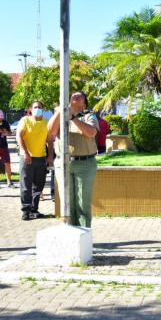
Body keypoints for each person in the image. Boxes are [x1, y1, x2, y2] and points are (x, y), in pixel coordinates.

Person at [48, 91, 99, 227]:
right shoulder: (60, 115)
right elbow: (51, 131)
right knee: (66, 201)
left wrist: (73, 118)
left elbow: (91, 132)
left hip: (85, 163)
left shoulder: (88, 116)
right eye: (73, 95)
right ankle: (69, 231)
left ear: (85, 103)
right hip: (63, 162)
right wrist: (60, 111)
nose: (76, 96)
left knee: (83, 202)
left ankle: (83, 233)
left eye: (80, 95)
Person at [17, 101, 53, 221]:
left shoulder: (46, 123)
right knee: (26, 185)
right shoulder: (25, 120)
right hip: (27, 158)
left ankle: (34, 209)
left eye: (40, 107)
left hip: (41, 158)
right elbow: (19, 136)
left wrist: (50, 156)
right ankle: (26, 210)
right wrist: (26, 153)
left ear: (43, 109)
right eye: (35, 107)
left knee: (39, 185)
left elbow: (50, 141)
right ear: (31, 109)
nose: (38, 109)